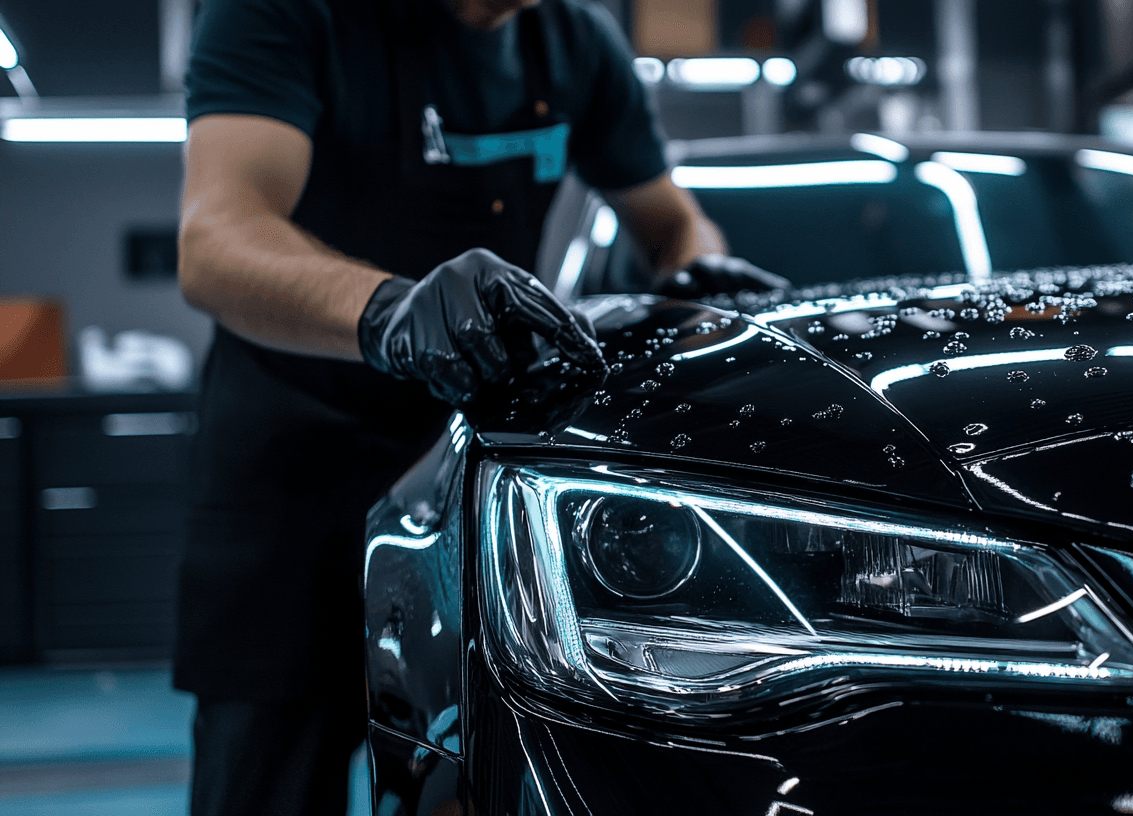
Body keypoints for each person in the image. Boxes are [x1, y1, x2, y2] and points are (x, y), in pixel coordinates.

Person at [173, 0, 783, 813]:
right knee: (267, 784)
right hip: (292, 468)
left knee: (473, 780)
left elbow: (670, 221)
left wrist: (692, 268)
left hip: (464, 477)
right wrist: (389, 310)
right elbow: (215, 237)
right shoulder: (286, 14)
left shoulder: (574, 40)